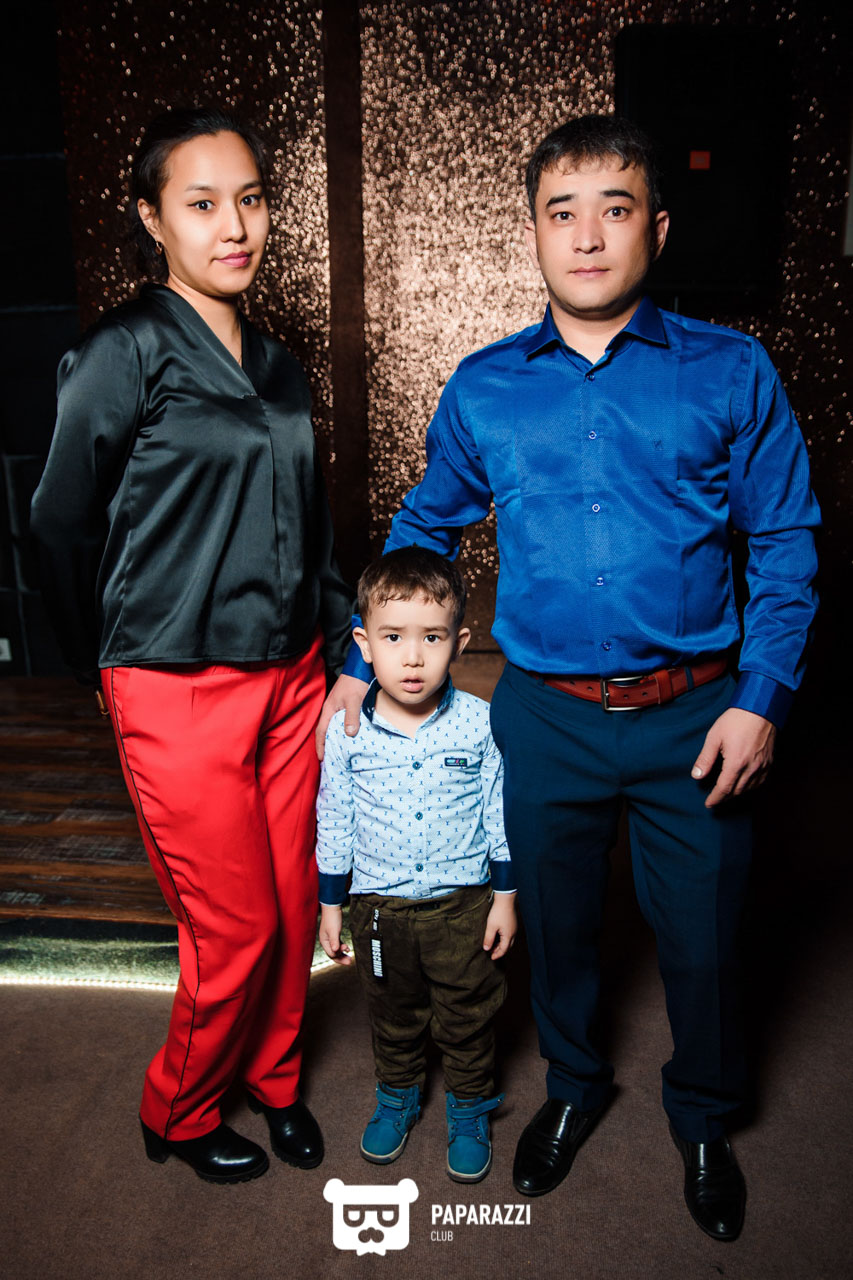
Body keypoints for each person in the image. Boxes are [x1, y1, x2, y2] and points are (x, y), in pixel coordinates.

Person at [316, 115, 820, 1239]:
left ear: (657, 227)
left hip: (697, 713)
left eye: (614, 209)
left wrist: (761, 700)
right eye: (561, 213)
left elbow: (786, 542)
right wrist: (361, 659)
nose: (587, 237)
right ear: (534, 233)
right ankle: (575, 1086)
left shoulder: (731, 370)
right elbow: (424, 526)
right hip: (542, 719)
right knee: (554, 924)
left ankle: (704, 1118)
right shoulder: (484, 386)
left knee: (704, 938)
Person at [30, 106, 353, 1184]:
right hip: (176, 682)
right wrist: (99, 666)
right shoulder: (120, 351)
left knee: (293, 906)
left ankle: (275, 1080)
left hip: (293, 675)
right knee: (236, 926)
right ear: (151, 217)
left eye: (250, 199)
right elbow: (57, 524)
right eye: (203, 203)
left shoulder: (279, 363)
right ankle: (176, 1108)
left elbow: (313, 525)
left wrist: (341, 656)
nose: (235, 225)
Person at [315, 546, 517, 1183]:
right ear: (364, 644)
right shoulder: (346, 732)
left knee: (468, 1011)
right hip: (380, 910)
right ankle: (397, 1095)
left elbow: (498, 813)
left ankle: (469, 1106)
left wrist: (506, 896)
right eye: (393, 637)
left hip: (463, 906)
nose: (412, 657)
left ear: (459, 643)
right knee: (392, 1011)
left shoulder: (481, 725)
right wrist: (330, 903)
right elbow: (334, 817)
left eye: (431, 637)